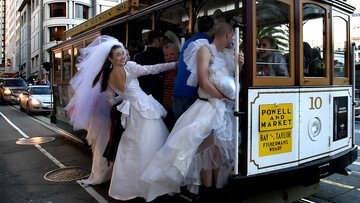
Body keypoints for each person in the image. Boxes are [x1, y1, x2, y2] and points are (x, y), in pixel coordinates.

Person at [141, 22, 244, 202]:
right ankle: (207, 192)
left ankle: (217, 191)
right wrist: (224, 97)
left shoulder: (228, 54)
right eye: (232, 36)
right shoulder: (205, 50)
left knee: (220, 152)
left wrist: (239, 66)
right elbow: (204, 82)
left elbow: (232, 80)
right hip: (208, 107)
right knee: (207, 151)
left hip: (224, 110)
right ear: (228, 34)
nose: (233, 39)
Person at [90, 36, 177, 201]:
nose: (123, 56)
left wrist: (124, 98)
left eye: (123, 53)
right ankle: (153, 185)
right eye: (118, 54)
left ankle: (132, 186)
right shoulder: (129, 67)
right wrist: (174, 64)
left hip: (132, 112)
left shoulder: (108, 77)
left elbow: (110, 101)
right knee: (153, 145)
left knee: (135, 148)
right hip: (144, 108)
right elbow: (152, 69)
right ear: (110, 58)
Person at [65, 36, 118, 185]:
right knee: (104, 143)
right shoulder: (106, 74)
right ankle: (101, 175)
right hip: (103, 115)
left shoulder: (98, 74)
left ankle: (102, 173)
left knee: (101, 144)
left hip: (98, 115)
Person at [172, 16, 215, 121]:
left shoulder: (187, 43)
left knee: (178, 131)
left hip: (177, 91)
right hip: (193, 94)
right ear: (212, 29)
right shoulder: (209, 45)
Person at [134, 30, 167, 104]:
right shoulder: (162, 57)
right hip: (158, 96)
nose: (164, 43)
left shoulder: (138, 57)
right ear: (156, 41)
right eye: (162, 40)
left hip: (142, 94)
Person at [162, 43, 180, 131]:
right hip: (165, 109)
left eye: (171, 54)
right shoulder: (162, 69)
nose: (169, 57)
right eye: (166, 55)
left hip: (177, 109)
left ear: (178, 55)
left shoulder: (181, 69)